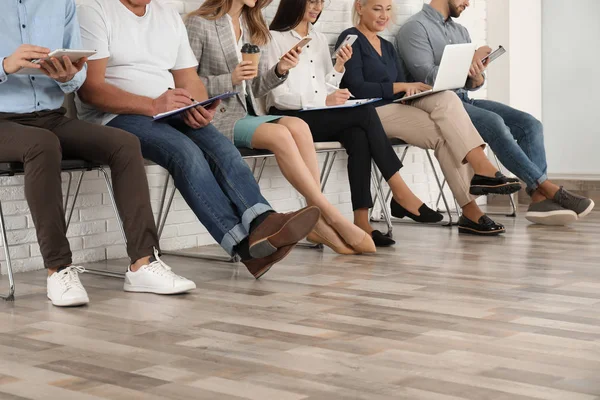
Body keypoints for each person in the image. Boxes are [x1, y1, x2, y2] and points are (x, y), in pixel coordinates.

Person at [76, 0, 321, 278]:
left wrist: (196, 104)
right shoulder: (94, 10)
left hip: (168, 108)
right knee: (185, 152)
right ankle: (245, 248)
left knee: (223, 149)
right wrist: (153, 105)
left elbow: (188, 77)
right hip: (114, 116)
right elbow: (91, 90)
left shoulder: (166, 14)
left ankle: (263, 222)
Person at [0, 0, 198, 307]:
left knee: (124, 143)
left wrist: (68, 76)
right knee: (41, 144)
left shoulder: (60, 3)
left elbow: (79, 77)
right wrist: (5, 65)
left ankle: (143, 264)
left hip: (50, 117)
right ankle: (58, 269)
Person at [185, 0, 374, 254]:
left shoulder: (251, 26)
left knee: (298, 126)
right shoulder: (200, 23)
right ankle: (327, 213)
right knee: (281, 134)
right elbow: (186, 84)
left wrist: (280, 69)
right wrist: (229, 78)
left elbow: (255, 88)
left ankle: (315, 216)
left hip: (247, 113)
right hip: (216, 117)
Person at [265, 0, 449, 246]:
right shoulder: (273, 38)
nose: (317, 7)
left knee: (358, 134)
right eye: (312, 1)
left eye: (321, 3)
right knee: (365, 113)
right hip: (290, 116)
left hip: (317, 113)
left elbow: (326, 85)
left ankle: (361, 220)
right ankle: (400, 191)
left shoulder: (317, 39)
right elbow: (277, 96)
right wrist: (325, 99)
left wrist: (339, 68)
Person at [396, 0, 595, 225]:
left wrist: (477, 73)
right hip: (437, 106)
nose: (468, 3)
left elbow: (472, 84)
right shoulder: (414, 29)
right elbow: (428, 79)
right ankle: (547, 188)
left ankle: (539, 198)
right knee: (494, 122)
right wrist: (468, 63)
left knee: (530, 124)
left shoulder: (460, 30)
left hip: (462, 99)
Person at [336, 0, 523, 236]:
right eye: (377, 9)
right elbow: (356, 87)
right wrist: (402, 86)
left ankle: (471, 207)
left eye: (388, 9)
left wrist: (412, 91)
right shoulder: (350, 38)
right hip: (368, 113)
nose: (384, 16)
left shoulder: (387, 46)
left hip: (395, 107)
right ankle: (481, 173)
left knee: (445, 103)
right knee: (445, 127)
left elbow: (403, 86)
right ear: (360, 7)